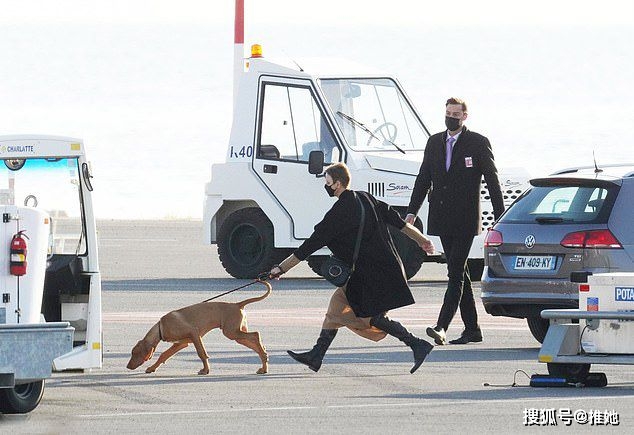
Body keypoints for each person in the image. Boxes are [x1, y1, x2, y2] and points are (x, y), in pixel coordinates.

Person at [269, 162, 436, 374]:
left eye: (328, 183)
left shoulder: (338, 213)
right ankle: (316, 355)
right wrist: (422, 240)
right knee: (336, 306)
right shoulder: (367, 198)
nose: (326, 186)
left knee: (370, 317)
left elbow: (309, 246)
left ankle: (417, 344)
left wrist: (280, 268)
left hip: (369, 275)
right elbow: (400, 223)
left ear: (337, 184)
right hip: (386, 267)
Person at [405, 97, 504, 345]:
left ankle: (441, 326)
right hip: (441, 216)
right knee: (457, 272)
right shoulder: (434, 142)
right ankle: (472, 329)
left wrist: (500, 215)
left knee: (455, 273)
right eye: (448, 113)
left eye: (456, 114)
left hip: (465, 218)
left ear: (464, 117)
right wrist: (411, 212)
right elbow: (423, 178)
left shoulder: (478, 143)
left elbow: (492, 180)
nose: (451, 117)